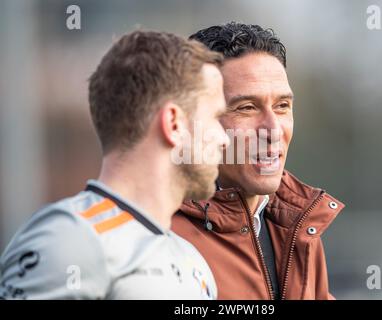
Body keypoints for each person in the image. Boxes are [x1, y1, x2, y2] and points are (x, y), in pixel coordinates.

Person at [0, 30, 229, 299]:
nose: (224, 138)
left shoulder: (193, 262)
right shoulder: (72, 239)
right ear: (174, 124)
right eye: (215, 117)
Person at [172, 22, 345, 300]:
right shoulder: (160, 238)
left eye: (282, 106)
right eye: (247, 108)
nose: (273, 130)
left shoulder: (301, 226)